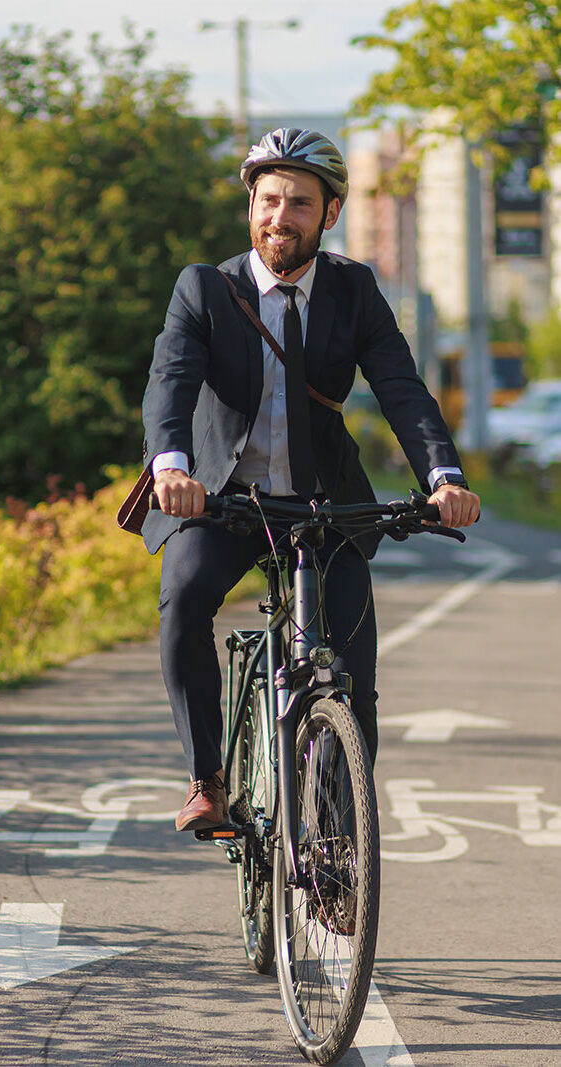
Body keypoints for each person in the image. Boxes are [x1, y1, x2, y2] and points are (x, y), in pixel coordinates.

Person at [139, 128, 480, 834]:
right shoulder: (206, 288)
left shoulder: (353, 290)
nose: (279, 217)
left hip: (325, 507)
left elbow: (401, 387)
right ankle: (207, 778)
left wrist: (443, 478)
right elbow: (170, 381)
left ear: (330, 214)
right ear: (250, 207)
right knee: (184, 599)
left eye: (298, 203)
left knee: (352, 679)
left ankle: (333, 844)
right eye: (267, 200)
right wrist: (171, 466)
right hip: (223, 501)